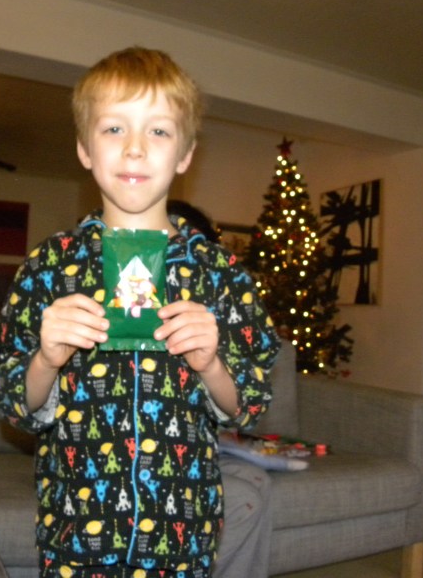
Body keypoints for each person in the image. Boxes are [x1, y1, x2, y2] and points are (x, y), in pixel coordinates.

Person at [0, 46, 279, 578]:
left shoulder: (220, 273)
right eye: (114, 129)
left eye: (159, 131)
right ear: (85, 148)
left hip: (183, 527)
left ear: (185, 154)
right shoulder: (48, 266)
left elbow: (249, 405)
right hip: (76, 527)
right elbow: (11, 403)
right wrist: (45, 360)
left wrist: (212, 364)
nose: (136, 148)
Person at [166, 200, 273, 578]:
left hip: (201, 449)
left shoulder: (212, 310)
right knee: (244, 501)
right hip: (158, 459)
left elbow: (238, 404)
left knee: (260, 482)